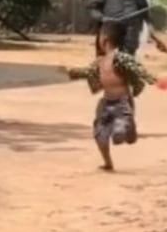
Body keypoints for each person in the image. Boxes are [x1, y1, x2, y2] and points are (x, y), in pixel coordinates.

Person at [67, 20, 159, 172]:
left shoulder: (121, 58)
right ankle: (108, 163)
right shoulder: (99, 62)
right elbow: (87, 72)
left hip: (122, 103)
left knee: (118, 135)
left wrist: (152, 79)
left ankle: (128, 126)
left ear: (105, 40)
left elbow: (138, 69)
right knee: (100, 135)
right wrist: (70, 72)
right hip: (106, 103)